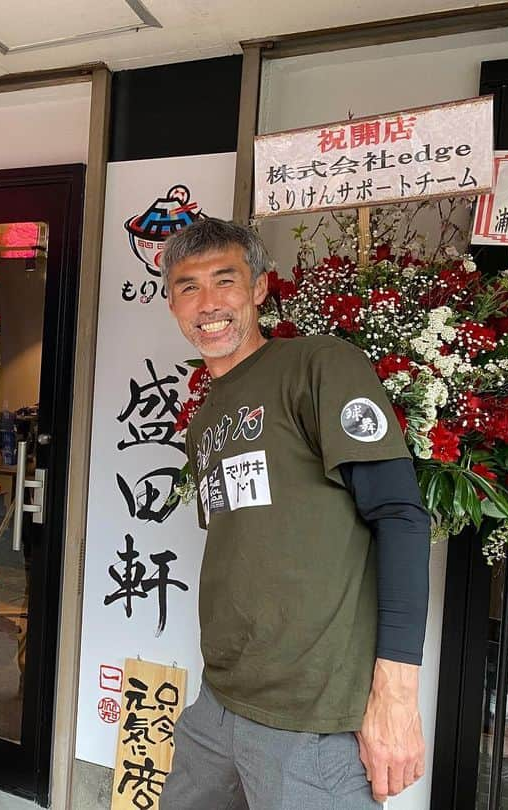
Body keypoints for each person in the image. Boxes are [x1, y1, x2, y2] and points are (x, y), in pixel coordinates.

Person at [158, 219, 430, 809]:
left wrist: (397, 694)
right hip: (219, 699)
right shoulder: (205, 418)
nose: (208, 304)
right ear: (172, 303)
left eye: (224, 281)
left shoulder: (319, 366)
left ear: (258, 288)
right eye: (187, 287)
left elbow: (400, 517)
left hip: (310, 718)